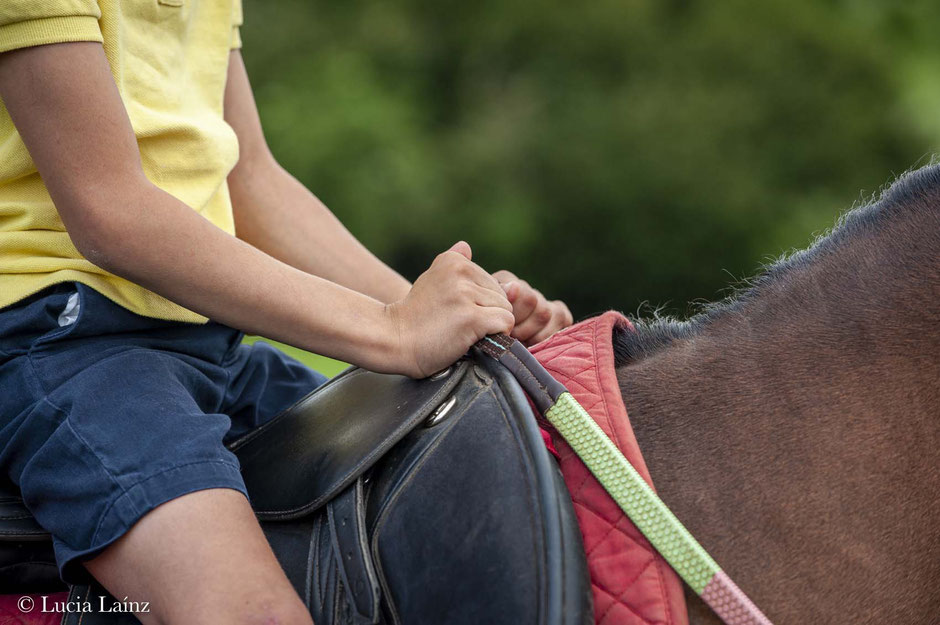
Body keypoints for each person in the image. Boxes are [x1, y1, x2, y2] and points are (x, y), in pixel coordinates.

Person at [0, 2, 572, 623]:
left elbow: (251, 179)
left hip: (207, 343)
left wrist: (451, 312)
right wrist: (392, 330)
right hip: (64, 346)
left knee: (442, 483)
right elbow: (111, 212)